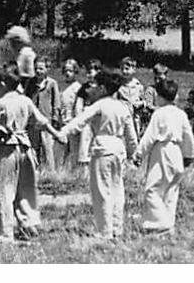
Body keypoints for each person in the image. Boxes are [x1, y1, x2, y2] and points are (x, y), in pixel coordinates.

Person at [57, 71, 137, 242]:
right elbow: (131, 136)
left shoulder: (99, 105)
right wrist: (134, 153)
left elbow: (80, 121)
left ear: (102, 88)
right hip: (118, 148)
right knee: (117, 189)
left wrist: (62, 132)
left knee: (102, 190)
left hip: (102, 148)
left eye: (94, 85)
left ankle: (104, 231)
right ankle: (117, 228)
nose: (90, 88)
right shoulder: (123, 107)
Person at [0, 70, 53, 242]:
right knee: (26, 188)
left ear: (4, 84)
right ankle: (29, 225)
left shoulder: (0, 103)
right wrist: (57, 134)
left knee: (4, 190)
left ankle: (5, 232)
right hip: (26, 149)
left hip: (8, 149)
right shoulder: (26, 101)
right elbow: (42, 122)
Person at [136, 77, 194, 235]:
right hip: (176, 151)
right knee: (171, 189)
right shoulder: (181, 114)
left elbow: (149, 136)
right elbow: (189, 136)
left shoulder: (159, 113)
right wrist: (188, 155)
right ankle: (169, 222)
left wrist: (138, 154)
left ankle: (160, 223)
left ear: (159, 97)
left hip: (162, 150)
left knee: (152, 189)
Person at [57, 59, 87, 171]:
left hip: (72, 121)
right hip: (62, 121)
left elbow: (78, 106)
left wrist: (76, 122)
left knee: (74, 149)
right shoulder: (61, 86)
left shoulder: (77, 87)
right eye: (66, 71)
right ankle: (61, 170)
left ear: (75, 72)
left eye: (70, 71)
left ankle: (73, 171)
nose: (67, 73)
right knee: (62, 148)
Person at [30, 58, 60, 169]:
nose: (38, 71)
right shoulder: (31, 83)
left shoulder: (51, 83)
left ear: (47, 69)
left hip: (46, 120)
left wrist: (55, 118)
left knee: (47, 148)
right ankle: (34, 170)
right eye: (36, 68)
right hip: (33, 121)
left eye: (41, 69)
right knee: (33, 147)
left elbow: (56, 102)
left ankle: (50, 172)